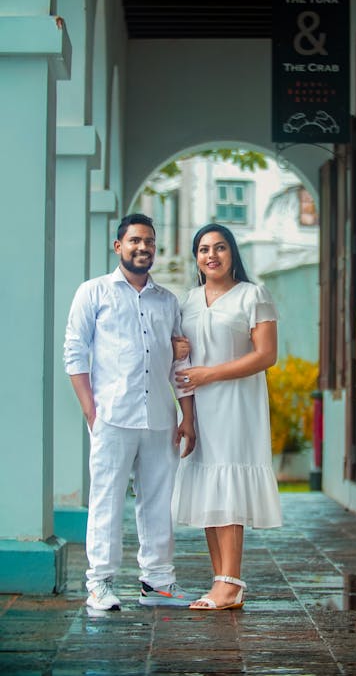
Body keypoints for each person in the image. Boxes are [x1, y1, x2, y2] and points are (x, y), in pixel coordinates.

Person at [64, 213, 197, 611]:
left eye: (150, 242)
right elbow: (74, 352)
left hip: (159, 417)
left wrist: (187, 416)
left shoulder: (168, 301)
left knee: (158, 501)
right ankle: (100, 583)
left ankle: (157, 581)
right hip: (113, 417)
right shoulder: (94, 292)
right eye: (135, 240)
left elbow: (179, 366)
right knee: (105, 499)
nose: (143, 248)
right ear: (118, 246)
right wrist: (91, 411)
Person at [172, 223, 282, 611]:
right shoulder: (185, 301)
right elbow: (181, 361)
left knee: (229, 483)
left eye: (220, 247)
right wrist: (186, 411)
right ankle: (222, 582)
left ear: (233, 253)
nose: (212, 255)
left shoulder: (253, 296)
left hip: (237, 404)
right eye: (203, 249)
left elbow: (266, 355)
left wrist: (209, 374)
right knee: (208, 487)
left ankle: (230, 581)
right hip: (200, 407)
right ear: (196, 258)